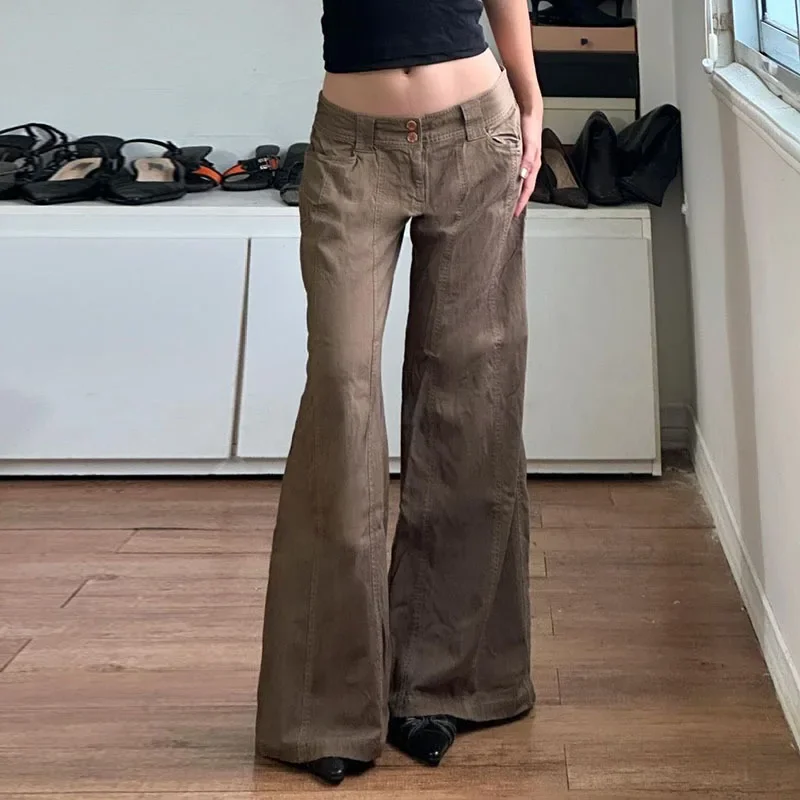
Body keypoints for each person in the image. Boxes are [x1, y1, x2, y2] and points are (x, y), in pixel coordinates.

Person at [256, 0, 543, 786]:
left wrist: (529, 95)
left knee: (470, 398)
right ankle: (324, 709)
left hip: (477, 130)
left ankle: (445, 682)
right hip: (354, 147)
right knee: (341, 395)